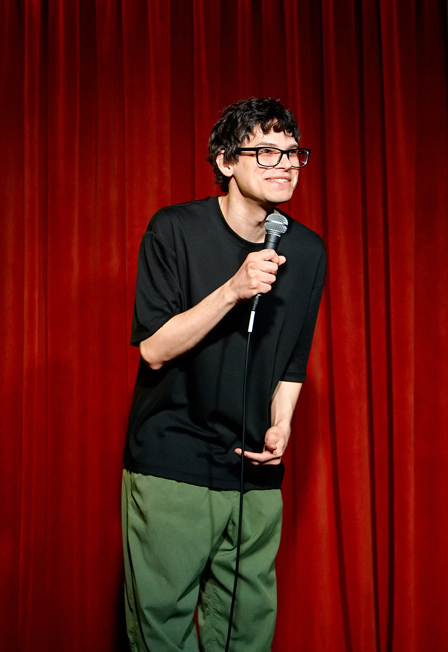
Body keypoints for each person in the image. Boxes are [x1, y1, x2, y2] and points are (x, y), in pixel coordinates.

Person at [122, 97, 326, 652]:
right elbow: (154, 349)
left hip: (253, 469)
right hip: (173, 462)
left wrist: (281, 423)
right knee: (161, 631)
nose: (285, 164)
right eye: (266, 151)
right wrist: (234, 289)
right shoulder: (174, 229)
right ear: (226, 161)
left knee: (248, 631)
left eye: (293, 152)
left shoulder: (307, 250)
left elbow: (293, 359)